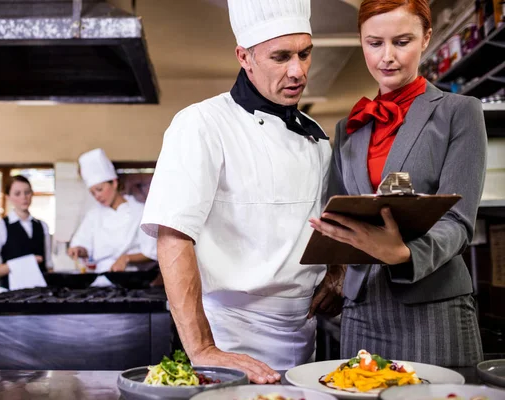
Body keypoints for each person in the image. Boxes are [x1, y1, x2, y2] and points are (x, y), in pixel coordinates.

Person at [141, 0, 345, 384]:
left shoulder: (316, 137)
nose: (297, 70)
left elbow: (325, 223)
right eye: (280, 56)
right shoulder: (201, 124)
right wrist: (203, 349)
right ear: (244, 57)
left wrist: (337, 273)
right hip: (227, 336)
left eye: (305, 54)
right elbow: (173, 238)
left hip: (302, 337)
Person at [309, 0, 487, 366]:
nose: (387, 57)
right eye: (374, 43)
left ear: (426, 39)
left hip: (432, 304)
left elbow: (458, 223)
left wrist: (404, 255)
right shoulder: (349, 128)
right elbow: (337, 211)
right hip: (361, 307)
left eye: (401, 41)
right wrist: (335, 272)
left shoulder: (459, 113)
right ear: (361, 42)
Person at [68, 148, 157, 285]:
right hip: (100, 281)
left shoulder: (139, 211)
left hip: (132, 280)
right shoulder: (93, 215)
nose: (97, 196)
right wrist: (79, 250)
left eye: (99, 189)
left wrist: (126, 258)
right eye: (93, 193)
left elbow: (152, 252)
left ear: (114, 183)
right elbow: (83, 244)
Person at [0, 175, 53, 290]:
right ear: (8, 197)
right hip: (10, 295)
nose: (24, 197)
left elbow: (48, 266)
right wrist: (27, 262)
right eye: (17, 193)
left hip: (41, 294)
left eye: (27, 192)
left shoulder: (42, 226)